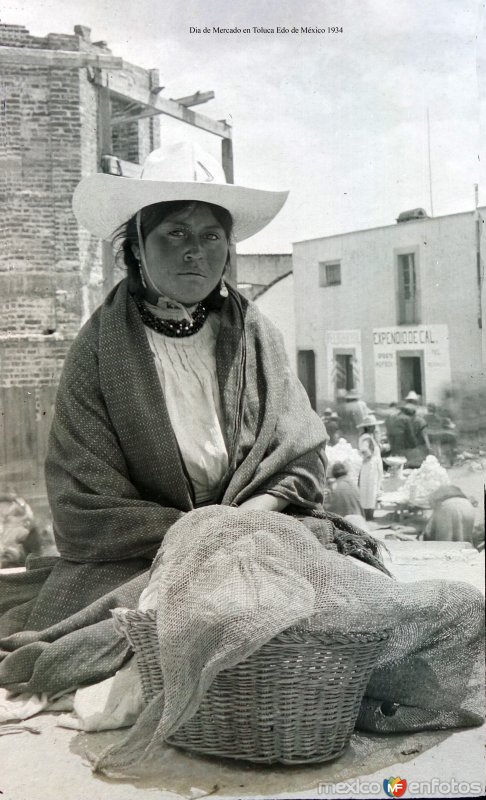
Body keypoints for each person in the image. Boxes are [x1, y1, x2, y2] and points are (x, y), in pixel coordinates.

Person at [0, 141, 329, 698]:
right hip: (140, 557)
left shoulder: (256, 335)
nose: (194, 253)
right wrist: (194, 538)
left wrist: (238, 524)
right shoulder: (98, 351)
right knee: (125, 641)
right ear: (137, 249)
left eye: (210, 237)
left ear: (227, 250)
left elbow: (300, 456)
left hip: (260, 532)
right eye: (174, 233)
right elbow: (85, 499)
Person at [358, 434, 383, 521]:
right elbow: (364, 451)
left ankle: (370, 514)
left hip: (373, 466)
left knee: (372, 490)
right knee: (367, 490)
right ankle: (367, 514)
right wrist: (367, 456)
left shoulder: (372, 439)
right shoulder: (366, 438)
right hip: (369, 466)